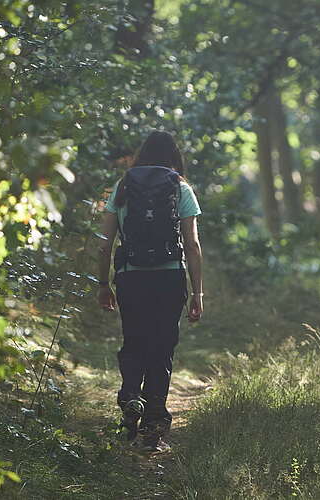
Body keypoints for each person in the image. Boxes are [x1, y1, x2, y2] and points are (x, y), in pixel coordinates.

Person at [96, 130, 204, 453]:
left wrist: (103, 284)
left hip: (131, 277)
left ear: (142, 154)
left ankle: (131, 398)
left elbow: (104, 245)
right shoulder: (180, 187)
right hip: (170, 278)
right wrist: (197, 293)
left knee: (134, 340)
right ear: (174, 156)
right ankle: (154, 423)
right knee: (162, 345)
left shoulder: (123, 186)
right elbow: (193, 244)